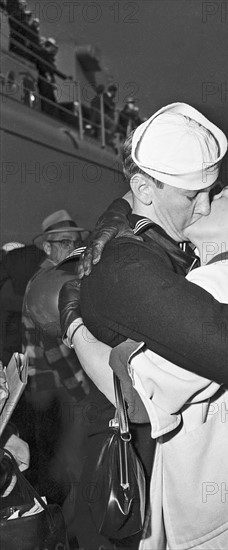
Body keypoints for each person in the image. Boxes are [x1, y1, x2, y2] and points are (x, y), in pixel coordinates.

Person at [59, 102, 228, 549]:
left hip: (219, 516)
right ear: (145, 191)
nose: (205, 205)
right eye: (194, 195)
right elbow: (137, 391)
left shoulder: (188, 247)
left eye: (214, 190)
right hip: (149, 490)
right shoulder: (129, 262)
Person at [21, 209, 89, 538]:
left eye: (77, 242)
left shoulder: (48, 278)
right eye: (64, 242)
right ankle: (61, 534)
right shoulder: (50, 283)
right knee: (64, 469)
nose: (74, 248)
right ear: (47, 247)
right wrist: (83, 392)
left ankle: (52, 532)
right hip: (57, 391)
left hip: (44, 390)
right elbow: (55, 348)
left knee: (54, 467)